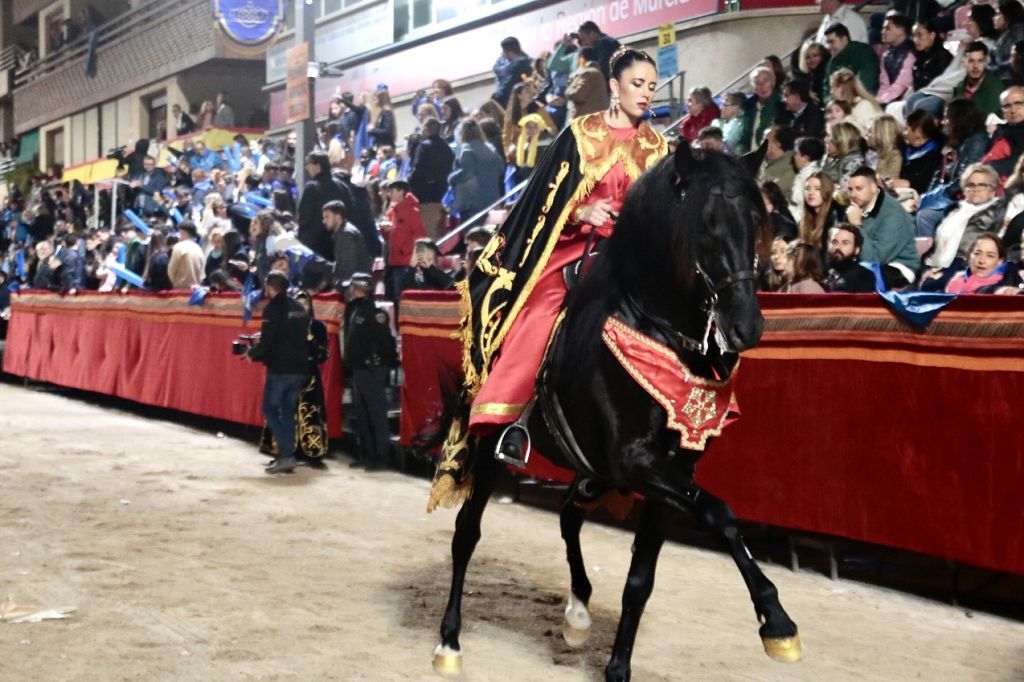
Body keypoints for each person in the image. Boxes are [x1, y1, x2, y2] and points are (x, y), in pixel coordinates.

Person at [455, 47, 667, 462]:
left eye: (652, 87)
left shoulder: (659, 146)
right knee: (546, 308)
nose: (645, 94)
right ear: (613, 86)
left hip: (632, 254)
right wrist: (580, 210)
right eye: (637, 84)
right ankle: (515, 418)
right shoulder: (578, 135)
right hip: (576, 246)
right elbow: (539, 201)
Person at [246, 271, 311, 474]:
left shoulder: (272, 309)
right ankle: (286, 455)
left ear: (270, 287)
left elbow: (268, 342)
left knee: (270, 410)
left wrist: (252, 353)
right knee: (288, 413)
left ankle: (286, 454)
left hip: (280, 369)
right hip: (299, 368)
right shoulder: (299, 307)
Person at [343, 274, 397, 471]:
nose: (350, 291)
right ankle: (366, 456)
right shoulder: (355, 309)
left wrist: (379, 363)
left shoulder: (374, 313)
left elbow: (386, 342)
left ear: (359, 289)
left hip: (371, 368)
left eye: (353, 288)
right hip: (359, 369)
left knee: (376, 414)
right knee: (363, 415)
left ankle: (380, 457)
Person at [920, 164, 1005, 286]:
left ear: (992, 189)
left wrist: (944, 271)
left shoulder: (997, 213)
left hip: (965, 268)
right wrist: (928, 268)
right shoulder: (954, 210)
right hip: (935, 265)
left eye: (982, 185)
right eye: (971, 184)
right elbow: (936, 246)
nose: (975, 189)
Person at [845, 165, 920, 288]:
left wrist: (856, 225)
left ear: (873, 187)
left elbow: (875, 260)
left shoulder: (892, 214)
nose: (853, 194)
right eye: (850, 189)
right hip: (866, 262)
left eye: (859, 188)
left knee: (856, 277)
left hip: (898, 267)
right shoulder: (856, 207)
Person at [298, 150, 354, 261]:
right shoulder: (342, 186)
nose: (307, 168)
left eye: (308, 164)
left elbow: (304, 217)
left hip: (316, 245)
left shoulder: (312, 187)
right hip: (341, 241)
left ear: (317, 165)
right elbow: (351, 210)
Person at [448, 119, 505, 220]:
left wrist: (452, 178)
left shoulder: (466, 150)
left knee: (473, 232)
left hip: (472, 202)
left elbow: (467, 172)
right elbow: (500, 168)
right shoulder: (490, 148)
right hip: (492, 198)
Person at [380, 179, 427, 302]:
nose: (389, 194)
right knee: (392, 296)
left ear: (401, 192)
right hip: (393, 260)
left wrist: (412, 256)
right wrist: (385, 230)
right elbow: (390, 237)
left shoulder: (412, 212)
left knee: (401, 297)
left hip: (405, 262)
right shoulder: (393, 211)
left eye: (392, 191)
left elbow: (420, 236)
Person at [408, 118, 455, 239]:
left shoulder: (423, 147)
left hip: (425, 195)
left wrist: (409, 181)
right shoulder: (446, 148)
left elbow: (417, 169)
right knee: (439, 230)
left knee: (428, 232)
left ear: (427, 129)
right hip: (442, 193)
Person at [944, 232, 1022, 294]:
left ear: (1000, 261)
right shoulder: (954, 281)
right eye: (977, 253)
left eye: (990, 256)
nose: (982, 261)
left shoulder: (1007, 282)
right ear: (969, 256)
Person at [822, 24, 879, 102]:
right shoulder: (832, 61)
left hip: (864, 100)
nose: (829, 46)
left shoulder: (863, 52)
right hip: (840, 106)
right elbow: (827, 90)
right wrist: (831, 103)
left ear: (844, 39)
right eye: (827, 43)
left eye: (832, 42)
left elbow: (867, 83)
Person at [321, 199, 370, 290]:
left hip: (353, 287)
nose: (324, 221)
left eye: (327, 217)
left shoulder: (346, 234)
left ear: (338, 217)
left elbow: (348, 268)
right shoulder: (342, 232)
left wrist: (336, 287)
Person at [894, 109, 943, 195]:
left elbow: (926, 183)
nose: (905, 133)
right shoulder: (902, 146)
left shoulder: (934, 154)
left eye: (907, 129)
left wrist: (908, 183)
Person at [798, 170, 845, 256]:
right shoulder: (805, 220)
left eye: (817, 189)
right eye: (807, 189)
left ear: (827, 190)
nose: (811, 193)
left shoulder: (835, 214)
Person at [952, 42, 1005, 118]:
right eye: (971, 61)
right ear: (963, 63)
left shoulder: (995, 86)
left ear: (986, 62)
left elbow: (987, 118)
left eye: (980, 61)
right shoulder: (959, 87)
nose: (976, 66)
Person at [982, 85, 1024, 179]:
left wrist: (988, 169)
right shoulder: (1000, 131)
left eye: (1018, 104)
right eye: (1007, 106)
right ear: (1002, 111)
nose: (1013, 110)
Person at [742, 66, 784, 154]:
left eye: (765, 80)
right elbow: (745, 137)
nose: (762, 85)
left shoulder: (782, 103)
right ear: (753, 87)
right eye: (757, 82)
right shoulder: (749, 107)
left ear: (773, 82)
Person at [877, 14, 917, 105]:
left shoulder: (911, 53)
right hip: (890, 98)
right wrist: (878, 100)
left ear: (901, 31)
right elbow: (884, 84)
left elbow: (902, 85)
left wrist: (882, 101)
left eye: (887, 29)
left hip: (906, 99)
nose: (883, 32)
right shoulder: (886, 54)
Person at [824, 224, 877, 292]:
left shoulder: (863, 275)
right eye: (834, 242)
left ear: (856, 250)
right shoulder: (821, 273)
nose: (838, 247)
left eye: (845, 243)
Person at [829, 67, 882, 133]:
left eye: (832, 87)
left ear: (840, 87)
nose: (831, 92)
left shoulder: (865, 106)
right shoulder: (840, 107)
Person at [565, 46, 608, 120]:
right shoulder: (596, 72)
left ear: (582, 58)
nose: (577, 62)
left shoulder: (587, 73)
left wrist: (569, 88)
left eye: (577, 59)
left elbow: (578, 95)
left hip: (586, 121)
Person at [911, 20, 954, 94]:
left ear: (932, 35)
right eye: (913, 35)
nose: (915, 40)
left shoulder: (943, 57)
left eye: (919, 35)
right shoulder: (919, 58)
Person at [792, 136, 826, 222]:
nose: (794, 157)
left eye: (796, 154)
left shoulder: (811, 177)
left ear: (805, 158)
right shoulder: (804, 174)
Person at [492, 36, 533, 107]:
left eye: (504, 52)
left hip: (517, 104)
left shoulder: (516, 66)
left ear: (510, 53)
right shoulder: (529, 61)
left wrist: (493, 99)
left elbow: (507, 87)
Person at [822, 121, 866, 186]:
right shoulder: (835, 158)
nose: (825, 139)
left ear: (840, 140)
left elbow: (844, 193)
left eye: (829, 136)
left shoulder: (855, 162)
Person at [759, 125, 797, 198]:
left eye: (764, 140)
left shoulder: (792, 168)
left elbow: (770, 195)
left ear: (777, 145)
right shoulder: (763, 162)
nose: (760, 143)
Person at [867, 114, 904, 184]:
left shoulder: (895, 156)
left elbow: (890, 183)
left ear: (881, 134)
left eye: (870, 131)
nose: (867, 135)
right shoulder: (873, 154)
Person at [168, 221, 205, 289]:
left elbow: (171, 270)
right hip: (195, 290)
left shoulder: (178, 247)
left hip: (180, 290)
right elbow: (202, 274)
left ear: (184, 232)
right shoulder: (199, 249)